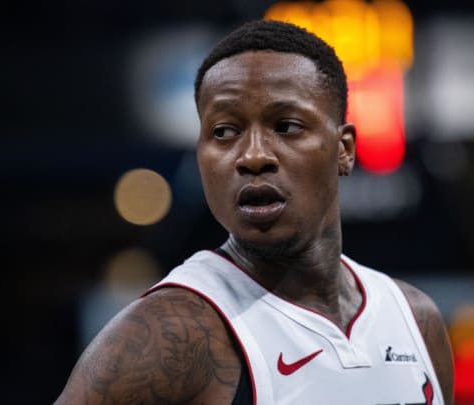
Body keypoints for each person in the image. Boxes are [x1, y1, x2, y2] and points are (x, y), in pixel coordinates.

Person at [55, 19, 453, 405]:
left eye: (287, 126)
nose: (253, 156)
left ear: (344, 149)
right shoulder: (169, 334)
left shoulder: (415, 320)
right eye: (225, 132)